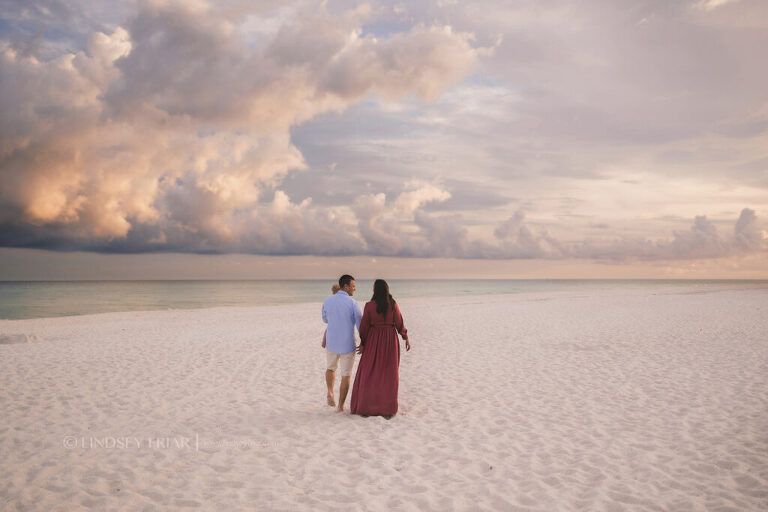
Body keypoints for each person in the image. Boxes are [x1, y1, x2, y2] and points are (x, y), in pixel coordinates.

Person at [350, 279, 411, 418]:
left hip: (373, 340)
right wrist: (405, 337)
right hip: (390, 340)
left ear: (374, 290)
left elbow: (364, 326)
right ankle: (387, 409)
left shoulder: (369, 306)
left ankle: (366, 406)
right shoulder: (392, 304)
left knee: (369, 373)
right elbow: (399, 322)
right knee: (389, 374)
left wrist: (363, 342)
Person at [322, 275, 362, 412]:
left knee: (330, 368)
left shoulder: (327, 300)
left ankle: (330, 392)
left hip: (331, 342)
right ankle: (340, 407)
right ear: (346, 286)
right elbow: (360, 325)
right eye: (353, 286)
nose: (354, 289)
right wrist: (364, 342)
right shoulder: (353, 303)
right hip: (347, 344)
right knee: (346, 375)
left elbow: (325, 319)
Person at [321, 283, 341, 349]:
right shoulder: (346, 301)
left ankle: (324, 343)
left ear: (333, 291)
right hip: (344, 330)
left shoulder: (327, 301)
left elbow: (325, 320)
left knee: (327, 330)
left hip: (332, 329)